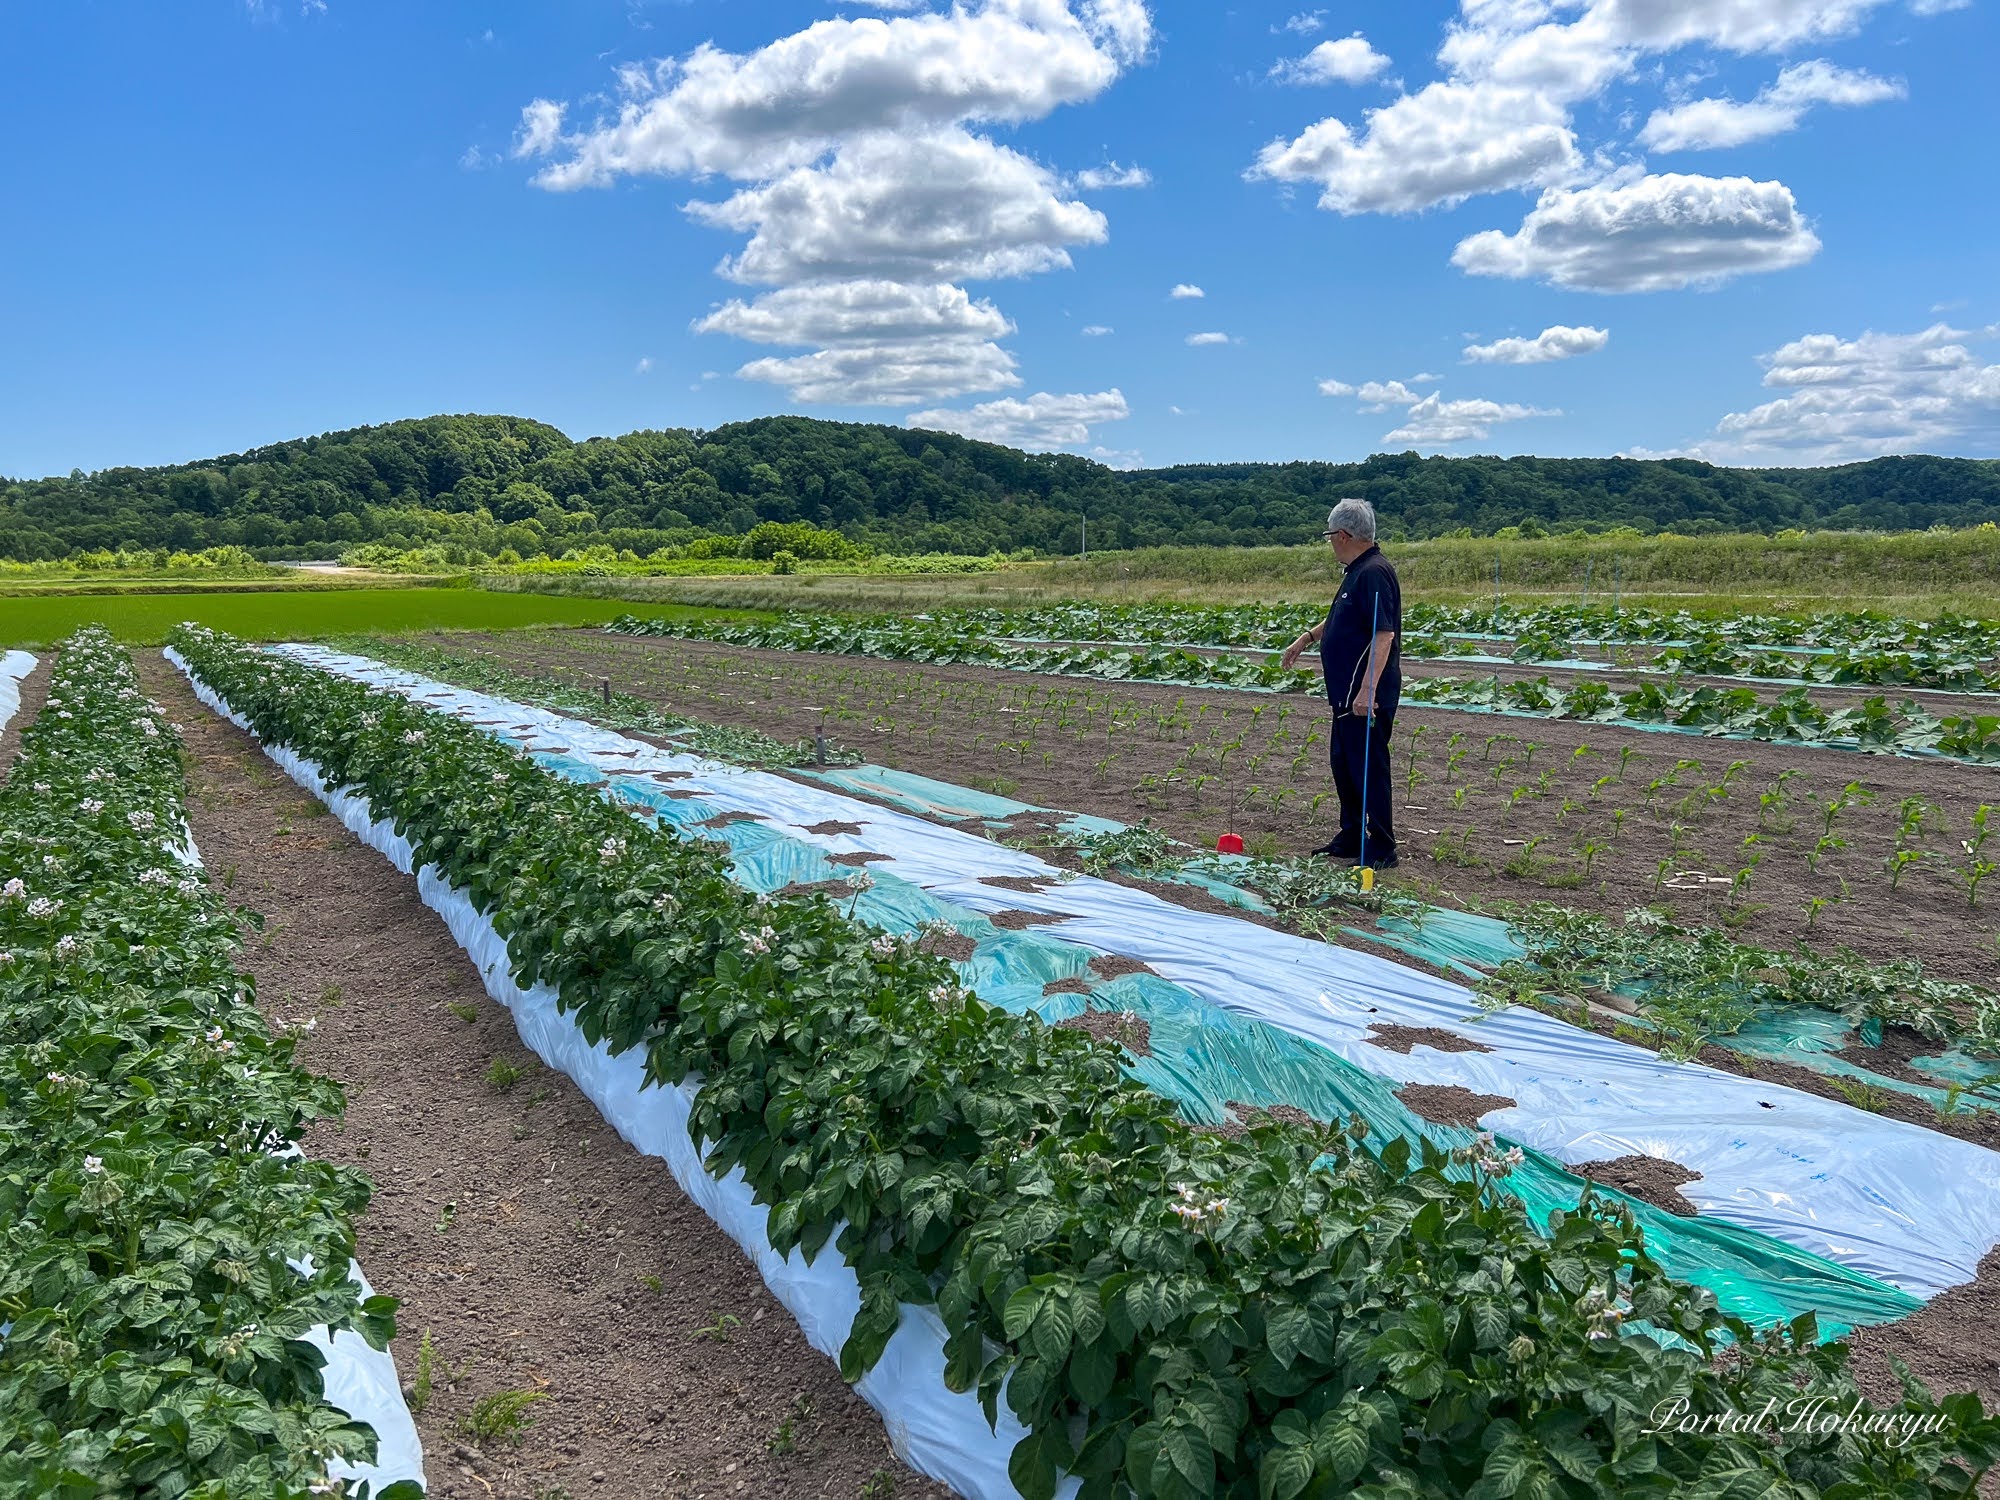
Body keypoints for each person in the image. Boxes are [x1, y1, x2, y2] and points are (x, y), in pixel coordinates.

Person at [1279, 499, 1401, 867]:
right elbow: (1342, 619)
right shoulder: (1357, 571)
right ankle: (1351, 836)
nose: (1329, 541)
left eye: (1330, 535)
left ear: (1344, 534)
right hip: (1344, 695)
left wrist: (1367, 689)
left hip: (1362, 697)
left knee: (1368, 770)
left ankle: (1382, 846)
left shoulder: (1375, 572)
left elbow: (1383, 634)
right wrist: (1307, 638)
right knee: (1344, 766)